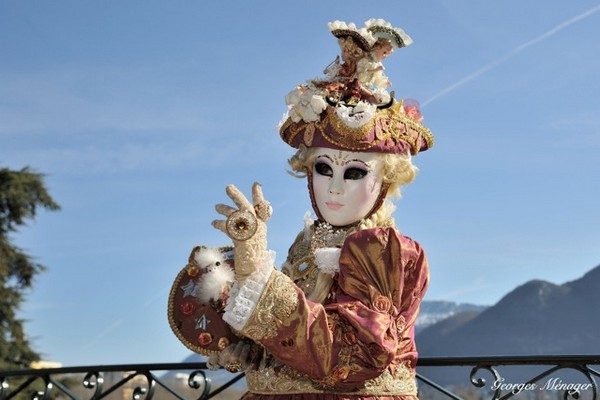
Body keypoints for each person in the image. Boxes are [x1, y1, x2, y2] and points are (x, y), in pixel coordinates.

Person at [170, 18, 434, 400]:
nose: (335, 186)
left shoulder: (384, 249)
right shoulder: (306, 243)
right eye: (323, 168)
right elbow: (295, 340)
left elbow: (349, 356)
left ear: (387, 180)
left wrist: (258, 273)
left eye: (356, 171)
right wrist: (250, 345)